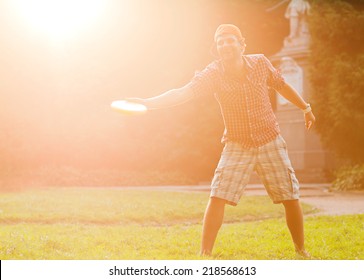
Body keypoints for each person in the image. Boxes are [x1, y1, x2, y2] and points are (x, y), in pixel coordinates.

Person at [127, 24, 315, 258]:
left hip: (269, 139)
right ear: (217, 49)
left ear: (241, 44)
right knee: (218, 195)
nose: (225, 44)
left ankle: (301, 250)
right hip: (237, 144)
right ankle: (205, 254)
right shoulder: (213, 74)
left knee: (290, 195)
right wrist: (148, 103)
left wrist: (305, 108)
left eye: (230, 40)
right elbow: (182, 92)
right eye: (220, 42)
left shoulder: (260, 63)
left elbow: (282, 86)